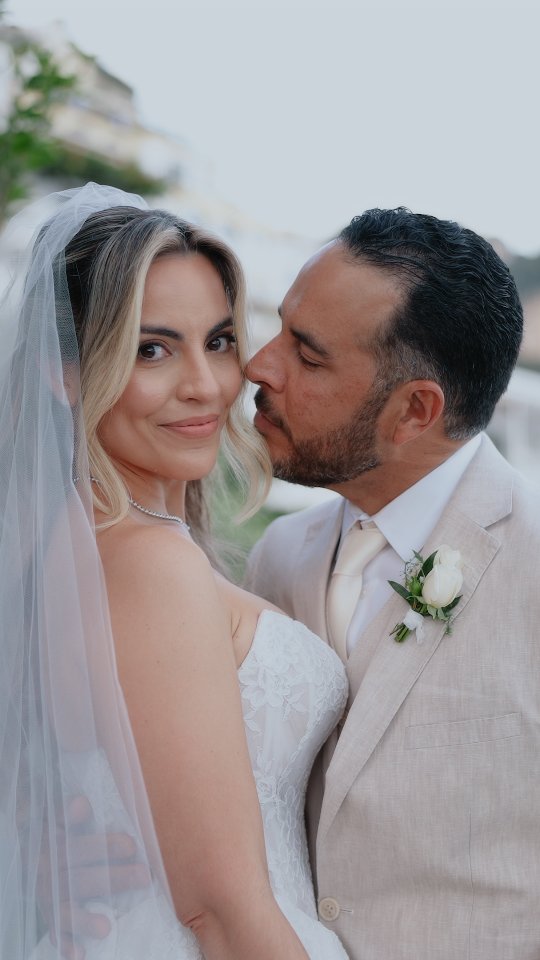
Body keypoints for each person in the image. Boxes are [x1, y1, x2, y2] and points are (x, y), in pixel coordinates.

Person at [0, 183, 349, 960]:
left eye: (219, 341)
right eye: (152, 350)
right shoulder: (150, 563)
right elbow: (221, 911)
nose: (205, 385)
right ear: (66, 372)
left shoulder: (76, 550)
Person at [245, 207, 540, 960]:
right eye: (278, 329)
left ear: (415, 411)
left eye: (307, 358)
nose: (258, 366)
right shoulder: (279, 557)